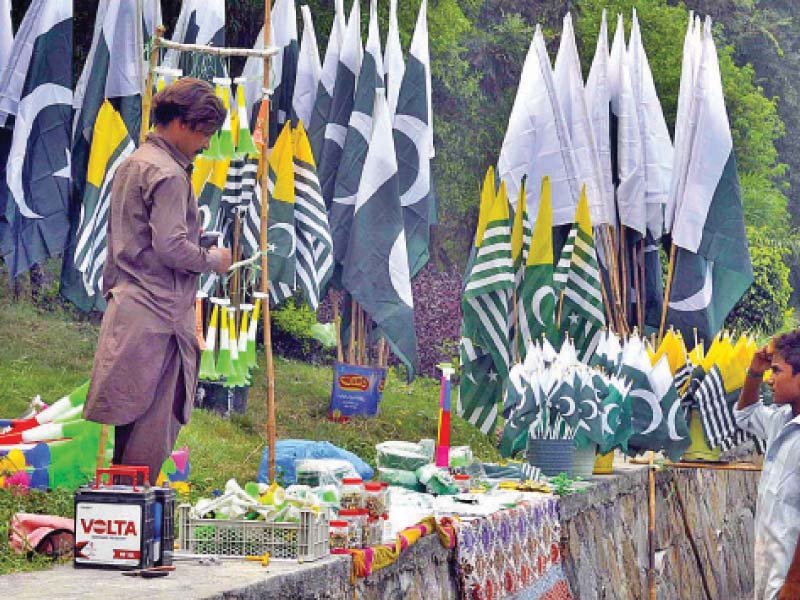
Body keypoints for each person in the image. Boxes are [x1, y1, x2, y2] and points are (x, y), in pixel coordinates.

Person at [84, 78, 231, 485]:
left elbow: (145, 238)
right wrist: (212, 259)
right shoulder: (168, 173)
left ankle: (117, 519)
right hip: (159, 314)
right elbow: (170, 248)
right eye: (205, 134)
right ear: (182, 124)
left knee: (128, 429)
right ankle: (127, 523)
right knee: (151, 432)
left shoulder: (137, 161)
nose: (205, 144)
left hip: (130, 306)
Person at [735, 330, 800, 600]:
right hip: (772, 575)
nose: (769, 380)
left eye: (777, 371)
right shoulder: (781, 421)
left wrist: (794, 585)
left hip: (790, 583)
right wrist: (754, 371)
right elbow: (745, 414)